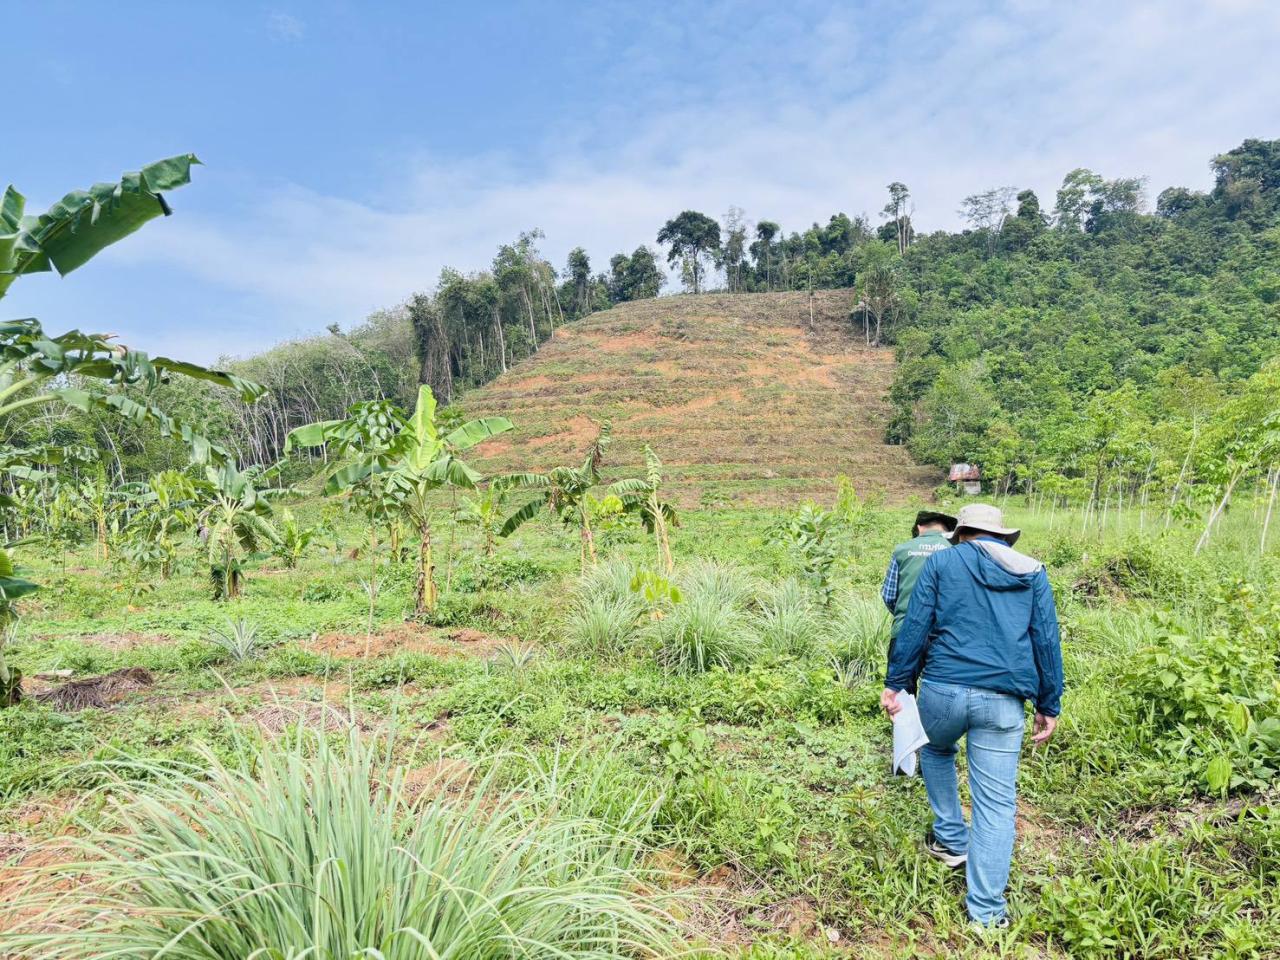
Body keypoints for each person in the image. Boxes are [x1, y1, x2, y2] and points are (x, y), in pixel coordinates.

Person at [881, 503, 1063, 930]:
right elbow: (1046, 639)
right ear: (1002, 536)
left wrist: (898, 682)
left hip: (943, 691)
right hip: (1004, 701)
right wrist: (1048, 704)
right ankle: (986, 914)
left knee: (937, 750)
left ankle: (950, 836)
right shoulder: (1032, 571)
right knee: (997, 805)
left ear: (960, 532)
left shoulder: (942, 562)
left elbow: (915, 626)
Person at [881, 510, 957, 641]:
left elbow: (889, 597)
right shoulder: (956, 551)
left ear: (919, 527)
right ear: (947, 531)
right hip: (942, 635)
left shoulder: (902, 549)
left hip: (904, 630)